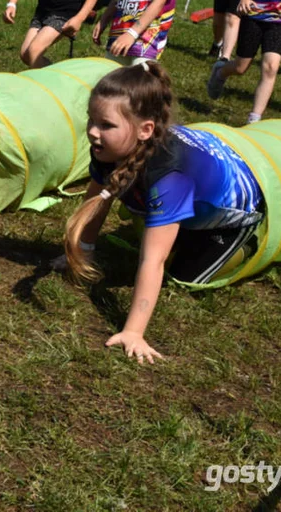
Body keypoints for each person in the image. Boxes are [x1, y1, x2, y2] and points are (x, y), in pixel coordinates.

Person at [61, 64, 264, 363]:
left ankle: (240, 244)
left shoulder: (170, 178)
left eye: (105, 124)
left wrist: (134, 331)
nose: (92, 131)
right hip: (185, 181)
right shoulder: (108, 148)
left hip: (239, 208)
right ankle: (170, 222)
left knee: (182, 275)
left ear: (146, 130)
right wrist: (83, 250)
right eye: (91, 120)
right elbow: (96, 199)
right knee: (148, 212)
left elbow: (152, 261)